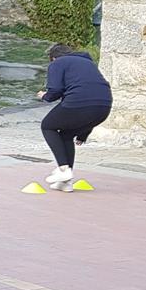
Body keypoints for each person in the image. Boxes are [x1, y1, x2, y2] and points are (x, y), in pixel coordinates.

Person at [37, 44, 112, 190]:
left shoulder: (58, 63)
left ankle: (63, 169)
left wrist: (44, 96)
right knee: (66, 135)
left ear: (53, 58)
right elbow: (91, 95)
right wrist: (83, 135)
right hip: (104, 106)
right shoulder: (88, 63)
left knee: (47, 126)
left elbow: (55, 90)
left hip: (79, 102)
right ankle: (66, 183)